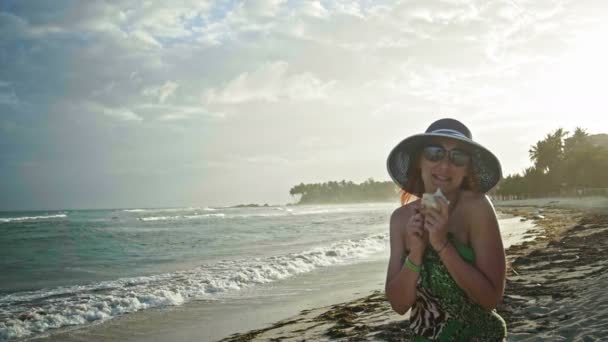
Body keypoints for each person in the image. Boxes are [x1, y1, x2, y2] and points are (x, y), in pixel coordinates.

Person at [384, 118, 507, 341]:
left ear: (467, 169)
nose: (444, 166)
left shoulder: (477, 208)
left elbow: (490, 299)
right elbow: (399, 305)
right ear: (419, 161)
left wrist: (442, 244)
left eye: (458, 157)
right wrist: (416, 252)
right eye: (434, 153)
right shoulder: (401, 220)